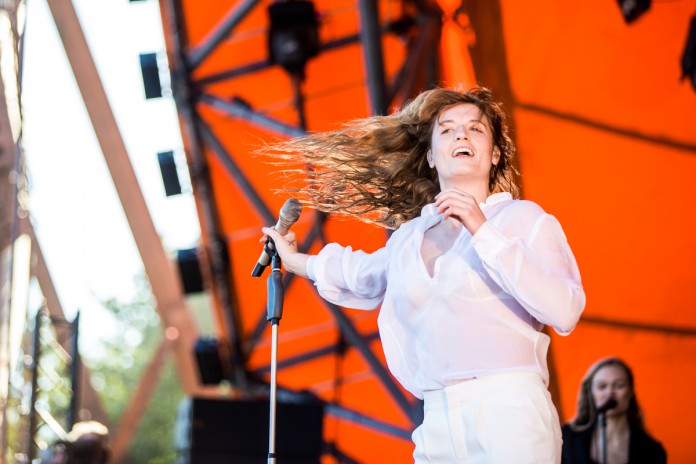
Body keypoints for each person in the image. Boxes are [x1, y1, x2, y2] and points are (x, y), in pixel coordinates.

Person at [260, 86, 586, 462]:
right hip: (436, 419)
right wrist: (294, 259)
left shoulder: (522, 219)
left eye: (476, 129)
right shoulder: (408, 239)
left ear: (495, 154)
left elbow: (565, 308)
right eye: (447, 130)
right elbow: (361, 275)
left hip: (508, 408)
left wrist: (483, 230)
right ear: (431, 156)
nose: (461, 134)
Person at [561, 357, 666, 464]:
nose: (610, 393)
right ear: (591, 393)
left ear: (630, 392)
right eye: (602, 386)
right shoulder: (566, 437)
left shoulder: (652, 450)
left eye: (619, 385)